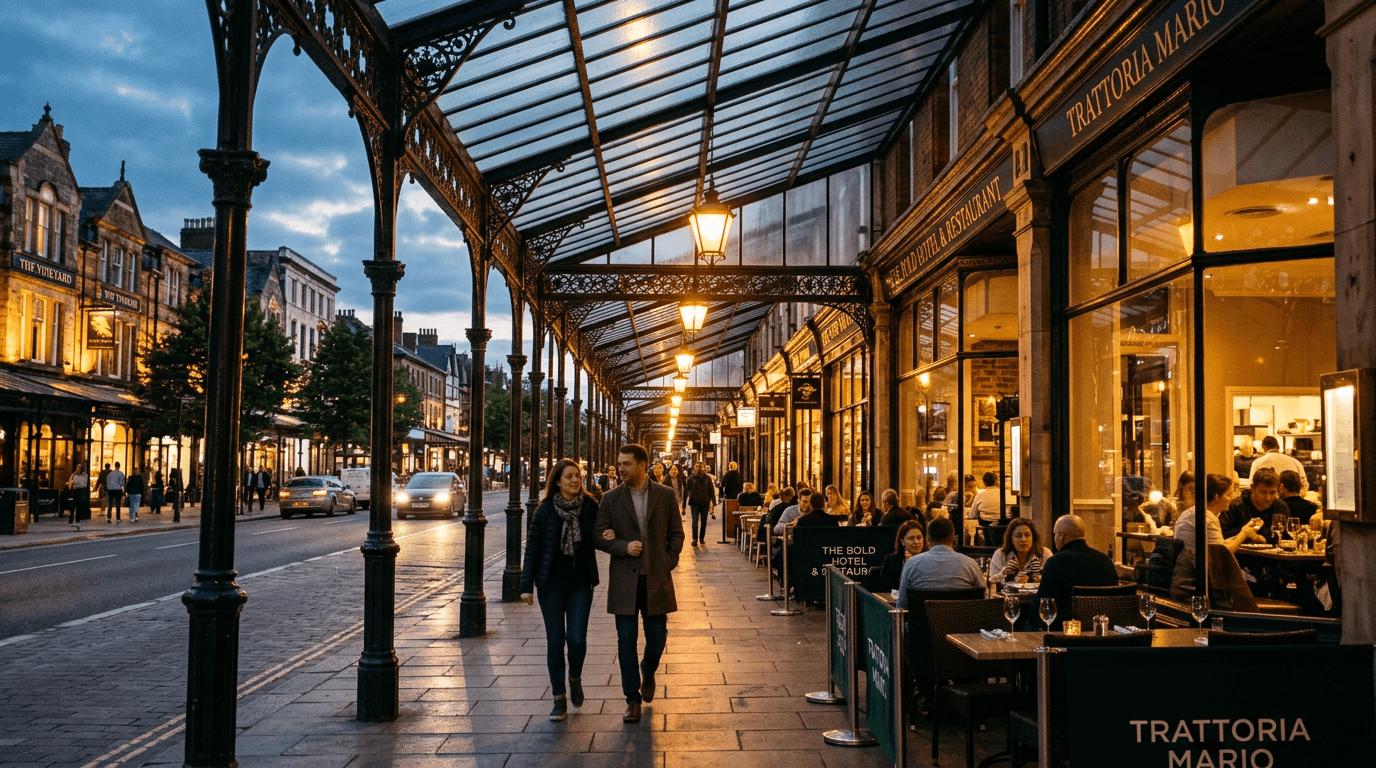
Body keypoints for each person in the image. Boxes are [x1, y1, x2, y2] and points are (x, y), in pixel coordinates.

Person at [593, 444, 685, 724]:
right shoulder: (610, 498)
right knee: (625, 642)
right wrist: (622, 546)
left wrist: (667, 561)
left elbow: (677, 534)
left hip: (656, 579)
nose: (621, 468)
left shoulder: (665, 495)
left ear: (643, 465)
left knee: (657, 639)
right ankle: (631, 699)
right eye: (619, 463)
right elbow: (598, 536)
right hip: (625, 581)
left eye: (626, 464)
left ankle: (649, 667)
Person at [520, 458, 601, 722]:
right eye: (569, 477)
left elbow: (600, 533)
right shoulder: (544, 510)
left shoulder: (590, 506)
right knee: (556, 642)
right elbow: (532, 548)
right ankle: (558, 698)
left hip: (580, 583)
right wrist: (526, 586)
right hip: (550, 585)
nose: (575, 481)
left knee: (577, 640)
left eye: (578, 476)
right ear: (557, 481)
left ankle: (574, 676)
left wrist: (609, 536)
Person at [1034, 514, 1118, 630]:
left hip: (1064, 632)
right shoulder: (1105, 561)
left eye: (1055, 534)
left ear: (1062, 536)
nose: (1054, 539)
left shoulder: (1056, 562)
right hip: (1102, 631)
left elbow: (1041, 603)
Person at [895, 517, 984, 608]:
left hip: (922, 622)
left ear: (927, 539)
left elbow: (902, 605)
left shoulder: (911, 564)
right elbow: (983, 600)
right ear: (953, 538)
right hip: (961, 621)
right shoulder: (970, 564)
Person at [1220, 467, 1288, 541]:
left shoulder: (1281, 507)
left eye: (1272, 493)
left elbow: (1286, 537)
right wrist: (1247, 533)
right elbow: (1223, 534)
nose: (1268, 498)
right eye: (1263, 492)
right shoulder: (1236, 505)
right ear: (1252, 488)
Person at [988, 518, 1053, 583]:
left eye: (1027, 535)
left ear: (1033, 537)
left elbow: (1053, 580)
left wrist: (1040, 578)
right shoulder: (1000, 554)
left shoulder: (1045, 553)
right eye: (1018, 536)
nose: (1023, 540)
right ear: (1011, 539)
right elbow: (991, 581)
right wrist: (1003, 574)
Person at [875, 520, 926, 592]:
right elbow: (886, 588)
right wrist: (907, 566)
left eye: (919, 537)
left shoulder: (929, 559)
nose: (916, 542)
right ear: (902, 541)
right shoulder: (891, 560)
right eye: (911, 538)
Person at [684, 462, 717, 546]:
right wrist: (683, 504)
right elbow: (686, 490)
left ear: (704, 468)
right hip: (694, 503)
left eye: (701, 467)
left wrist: (713, 502)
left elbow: (711, 490)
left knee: (704, 521)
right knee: (695, 521)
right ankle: (694, 539)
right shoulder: (691, 478)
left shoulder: (707, 478)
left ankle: (701, 538)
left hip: (705, 503)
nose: (699, 469)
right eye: (697, 467)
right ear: (695, 468)